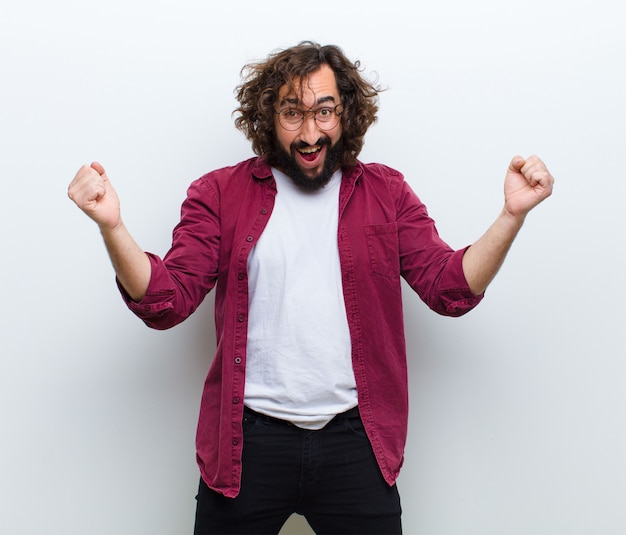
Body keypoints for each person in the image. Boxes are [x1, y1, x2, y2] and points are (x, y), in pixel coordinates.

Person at [67, 41, 554, 534]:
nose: (310, 130)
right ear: (268, 117)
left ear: (346, 113)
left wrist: (511, 215)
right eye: (292, 113)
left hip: (356, 443)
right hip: (246, 445)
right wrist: (112, 226)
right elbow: (165, 300)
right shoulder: (219, 193)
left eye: (324, 111)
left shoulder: (386, 193)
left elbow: (449, 288)